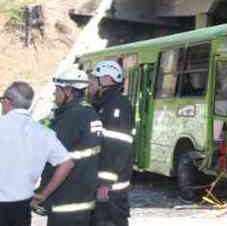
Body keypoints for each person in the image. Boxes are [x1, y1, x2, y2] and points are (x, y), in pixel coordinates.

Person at [0, 82, 74, 226]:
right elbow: (67, 163)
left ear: (7, 101)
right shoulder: (44, 133)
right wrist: (43, 194)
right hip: (22, 207)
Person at [39, 68, 102, 226]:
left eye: (57, 90)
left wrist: (42, 193)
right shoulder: (89, 112)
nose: (54, 94)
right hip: (83, 196)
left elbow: (57, 160)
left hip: (66, 198)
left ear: (68, 90)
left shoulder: (71, 117)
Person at [88, 61, 134, 226]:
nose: (90, 82)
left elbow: (118, 147)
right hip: (102, 184)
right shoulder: (102, 104)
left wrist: (106, 183)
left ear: (107, 79)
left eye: (94, 78)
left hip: (111, 189)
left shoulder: (117, 105)